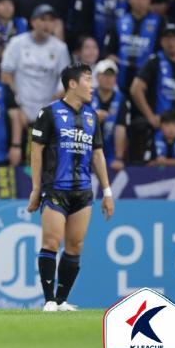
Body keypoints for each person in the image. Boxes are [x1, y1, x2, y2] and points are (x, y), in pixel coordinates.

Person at [28, 63, 115, 312]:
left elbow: (98, 155)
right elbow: (36, 151)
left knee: (75, 245)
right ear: (73, 84)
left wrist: (107, 192)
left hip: (84, 192)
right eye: (88, 79)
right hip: (55, 189)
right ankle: (48, 301)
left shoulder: (92, 116)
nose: (93, 85)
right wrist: (36, 188)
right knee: (52, 242)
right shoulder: (48, 113)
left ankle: (62, 299)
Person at [1, 5, 71, 160]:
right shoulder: (17, 43)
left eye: (51, 20)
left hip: (47, 113)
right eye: (42, 19)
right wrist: (18, 106)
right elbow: (5, 76)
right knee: (18, 159)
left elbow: (65, 79)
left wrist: (59, 94)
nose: (47, 24)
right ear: (33, 21)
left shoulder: (60, 48)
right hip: (21, 111)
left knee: (46, 162)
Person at [102, 0, 163, 96]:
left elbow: (162, 53)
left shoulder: (159, 23)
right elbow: (107, 50)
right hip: (120, 83)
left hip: (147, 85)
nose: (141, 2)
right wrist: (110, 57)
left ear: (150, 0)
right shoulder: (120, 22)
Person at [130, 24, 175, 137]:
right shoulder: (155, 61)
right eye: (166, 38)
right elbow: (135, 89)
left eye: (174, 38)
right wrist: (150, 116)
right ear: (161, 42)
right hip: (161, 127)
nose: (170, 42)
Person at [91, 59, 129, 169]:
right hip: (86, 153)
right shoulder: (86, 96)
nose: (108, 79)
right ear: (97, 77)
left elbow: (121, 129)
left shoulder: (122, 100)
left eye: (112, 75)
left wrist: (118, 158)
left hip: (110, 154)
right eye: (105, 75)